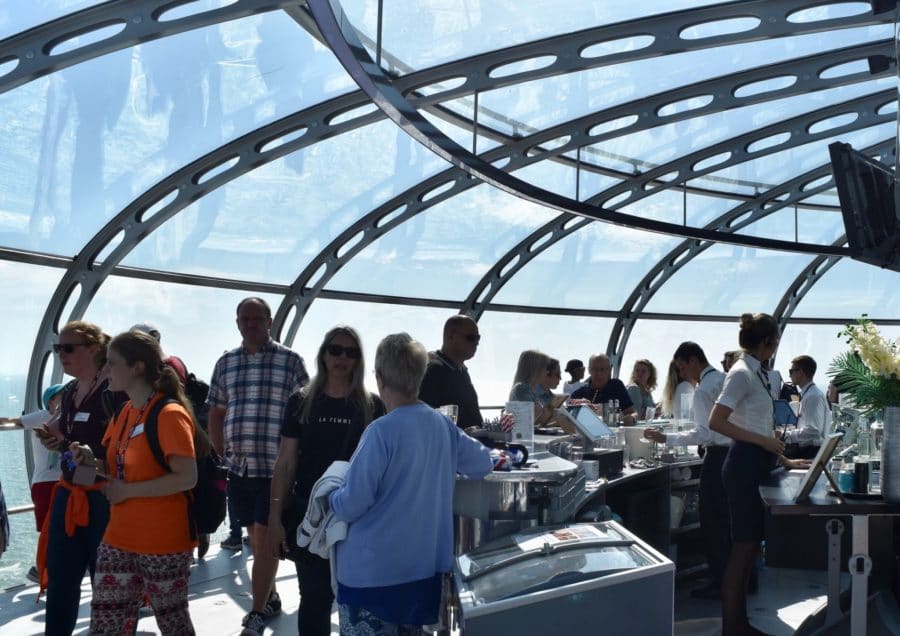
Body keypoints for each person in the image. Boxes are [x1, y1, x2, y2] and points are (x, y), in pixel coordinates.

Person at [328, 333, 494, 633]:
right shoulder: (442, 425)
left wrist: (331, 496)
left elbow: (352, 504)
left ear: (378, 379)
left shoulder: (380, 432)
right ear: (420, 377)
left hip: (372, 576)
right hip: (422, 573)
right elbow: (482, 463)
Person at [70, 330, 200, 634]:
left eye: (111, 363)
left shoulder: (168, 414)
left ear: (137, 367)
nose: (104, 371)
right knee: (105, 623)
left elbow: (187, 476)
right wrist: (91, 461)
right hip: (119, 537)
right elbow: (119, 467)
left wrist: (128, 491)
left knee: (172, 622)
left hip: (164, 541)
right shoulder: (126, 412)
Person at [268, 326, 385, 636]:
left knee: (357, 600)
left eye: (351, 352)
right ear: (323, 354)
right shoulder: (301, 402)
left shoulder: (371, 405)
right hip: (311, 516)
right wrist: (274, 518)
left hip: (357, 516)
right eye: (336, 350)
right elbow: (286, 462)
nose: (342, 357)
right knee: (315, 600)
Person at [206, 297, 309, 636]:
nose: (250, 324)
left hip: (275, 467)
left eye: (256, 318)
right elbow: (217, 411)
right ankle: (272, 595)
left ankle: (255, 612)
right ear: (237, 323)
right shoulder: (226, 363)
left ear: (269, 321)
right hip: (240, 467)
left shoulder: (290, 361)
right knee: (254, 534)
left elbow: (303, 412)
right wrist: (219, 452)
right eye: (244, 318)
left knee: (265, 538)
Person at [709, 313, 809, 636]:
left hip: (758, 461)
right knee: (742, 547)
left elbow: (759, 425)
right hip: (743, 465)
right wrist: (764, 442)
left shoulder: (759, 374)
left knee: (750, 547)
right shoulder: (741, 374)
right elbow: (717, 421)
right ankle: (732, 627)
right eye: (775, 342)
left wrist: (783, 459)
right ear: (767, 343)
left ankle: (741, 623)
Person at [35, 320, 127, 636]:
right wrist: (54, 439)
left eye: (68, 348)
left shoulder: (115, 391)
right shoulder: (72, 390)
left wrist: (96, 460)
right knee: (61, 576)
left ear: (94, 349)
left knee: (108, 581)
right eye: (58, 348)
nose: (62, 354)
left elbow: (131, 448)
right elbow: (64, 431)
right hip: (70, 492)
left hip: (104, 498)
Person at [644, 342, 731, 599]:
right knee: (730, 523)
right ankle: (736, 579)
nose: (682, 375)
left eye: (682, 368)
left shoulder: (703, 390)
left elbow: (704, 432)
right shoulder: (725, 379)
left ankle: (719, 581)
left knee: (713, 522)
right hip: (734, 455)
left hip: (717, 457)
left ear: (693, 361)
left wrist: (666, 438)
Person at [0, 383, 67, 583]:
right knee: (49, 528)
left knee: (64, 527)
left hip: (64, 481)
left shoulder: (69, 419)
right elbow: (15, 421)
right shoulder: (40, 417)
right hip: (44, 483)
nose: (66, 399)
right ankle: (42, 569)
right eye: (61, 396)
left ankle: (53, 568)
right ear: (51, 401)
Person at [418, 315, 483, 429]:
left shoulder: (461, 370)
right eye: (471, 337)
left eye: (478, 338)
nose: (476, 343)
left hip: (469, 443)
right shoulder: (434, 371)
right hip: (451, 444)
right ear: (451, 337)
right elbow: (424, 419)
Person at [779, 355, 830, 459]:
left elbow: (814, 431)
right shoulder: (809, 394)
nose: (790, 376)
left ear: (800, 372)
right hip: (808, 450)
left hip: (810, 452)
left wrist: (785, 435)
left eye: (791, 371)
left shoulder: (813, 396)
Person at [570, 354, 636, 425]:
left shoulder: (617, 386)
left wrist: (632, 418)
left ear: (609, 370)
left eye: (603, 369)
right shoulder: (578, 395)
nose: (599, 374)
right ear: (589, 370)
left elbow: (632, 412)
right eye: (595, 369)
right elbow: (569, 421)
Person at [509, 351, 566, 426]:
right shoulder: (522, 389)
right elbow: (539, 418)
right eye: (545, 368)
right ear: (535, 369)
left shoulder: (525, 389)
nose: (547, 372)